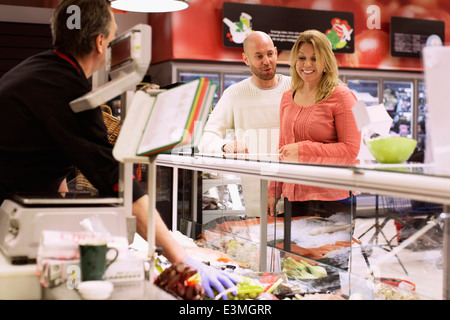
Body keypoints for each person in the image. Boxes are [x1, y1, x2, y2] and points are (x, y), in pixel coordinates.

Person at [0, 0, 236, 299]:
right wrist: (183, 259)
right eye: (112, 39)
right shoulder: (67, 88)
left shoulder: (44, 70)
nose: (111, 45)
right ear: (100, 43)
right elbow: (116, 178)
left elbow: (45, 155)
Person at [267, 30, 361, 218]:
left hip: (332, 199)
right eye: (302, 58)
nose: (307, 64)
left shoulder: (343, 96)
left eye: (314, 58)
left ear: (326, 61)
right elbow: (282, 149)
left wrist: (303, 150)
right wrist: (273, 191)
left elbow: (351, 151)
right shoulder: (288, 97)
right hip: (293, 197)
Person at [199, 31, 291, 217]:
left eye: (270, 54)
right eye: (258, 56)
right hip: (255, 201)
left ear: (275, 52)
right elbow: (206, 138)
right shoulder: (234, 94)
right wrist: (225, 145)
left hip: (296, 194)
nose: (266, 61)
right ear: (246, 59)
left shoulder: (295, 87)